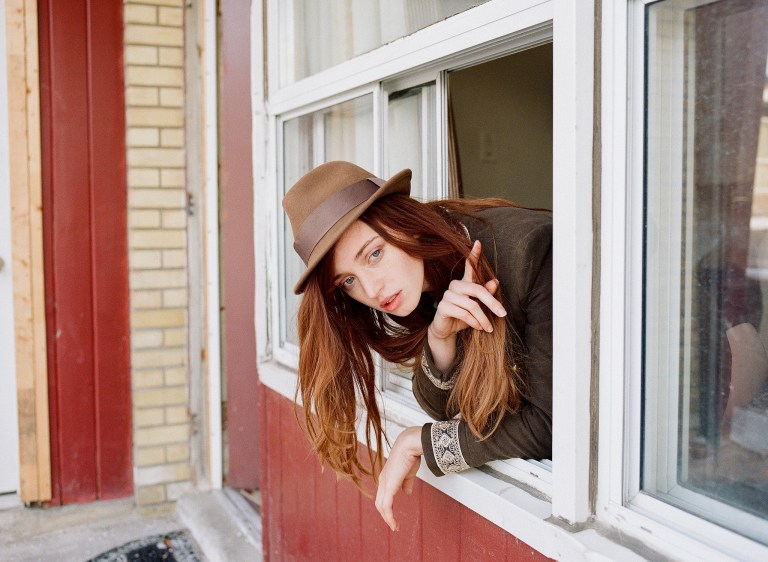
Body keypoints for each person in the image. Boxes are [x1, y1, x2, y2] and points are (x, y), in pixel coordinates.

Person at [282, 160, 552, 532]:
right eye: (348, 281)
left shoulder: (530, 254)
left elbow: (550, 426)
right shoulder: (425, 276)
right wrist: (441, 339)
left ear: (401, 220)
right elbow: (441, 407)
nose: (372, 291)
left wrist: (421, 442)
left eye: (374, 254)